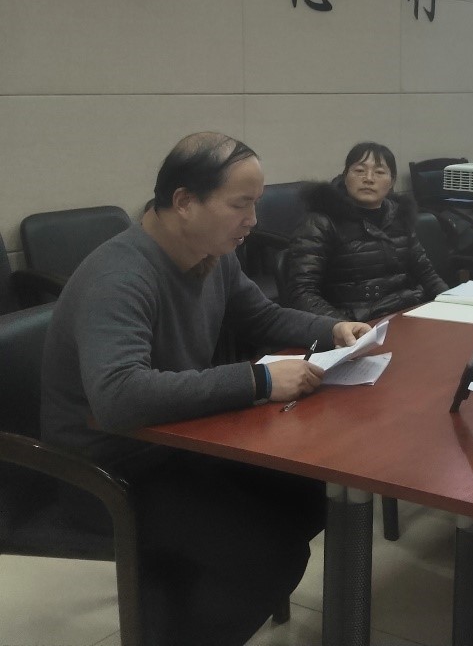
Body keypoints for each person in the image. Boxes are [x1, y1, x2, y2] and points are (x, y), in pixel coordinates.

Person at [41, 132, 373, 646]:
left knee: (310, 493)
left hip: (177, 443)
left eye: (255, 204)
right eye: (240, 204)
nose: (253, 220)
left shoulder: (213, 255)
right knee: (269, 555)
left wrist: (331, 329)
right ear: (184, 202)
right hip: (109, 470)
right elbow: (119, 397)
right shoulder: (120, 275)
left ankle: (184, 602)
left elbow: (262, 317)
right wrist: (259, 380)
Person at [287, 142, 448, 321]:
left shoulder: (399, 216)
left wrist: (452, 303)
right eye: (359, 170)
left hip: (405, 314)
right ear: (345, 176)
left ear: (392, 181)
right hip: (353, 323)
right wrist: (344, 327)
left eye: (379, 172)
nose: (369, 179)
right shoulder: (320, 222)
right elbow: (302, 293)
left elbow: (426, 273)